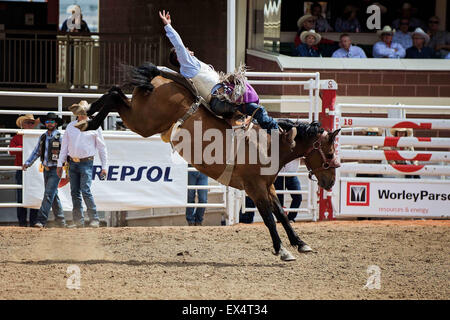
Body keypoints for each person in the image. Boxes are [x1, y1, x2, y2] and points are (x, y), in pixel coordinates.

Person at [159, 10, 297, 146]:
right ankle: (281, 137)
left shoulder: (190, 66)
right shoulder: (187, 64)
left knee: (251, 116)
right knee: (257, 110)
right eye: (184, 51)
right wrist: (168, 25)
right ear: (179, 56)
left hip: (220, 101)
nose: (187, 49)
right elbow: (178, 44)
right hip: (221, 100)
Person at [57, 101, 107, 228]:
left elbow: (102, 148)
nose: (83, 114)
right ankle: (79, 220)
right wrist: (60, 164)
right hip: (73, 162)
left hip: (86, 162)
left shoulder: (94, 126)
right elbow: (64, 146)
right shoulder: (70, 126)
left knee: (84, 190)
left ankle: (93, 218)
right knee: (75, 192)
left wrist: (104, 166)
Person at [22, 113, 66, 228]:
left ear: (56, 124)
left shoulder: (60, 137)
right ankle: (61, 221)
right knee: (53, 194)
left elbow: (65, 153)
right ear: (45, 123)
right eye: (47, 121)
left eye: (52, 121)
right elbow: (36, 151)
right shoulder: (43, 137)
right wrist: (28, 163)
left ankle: (41, 220)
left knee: (48, 194)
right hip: (46, 169)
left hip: (56, 169)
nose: (49, 123)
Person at [9, 115, 39, 227]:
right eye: (27, 123)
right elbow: (11, 151)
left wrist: (24, 148)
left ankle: (33, 221)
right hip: (21, 169)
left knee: (34, 193)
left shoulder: (37, 136)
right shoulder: (17, 137)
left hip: (34, 169)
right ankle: (22, 222)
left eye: (32, 123)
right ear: (22, 124)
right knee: (21, 195)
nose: (30, 125)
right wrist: (26, 147)